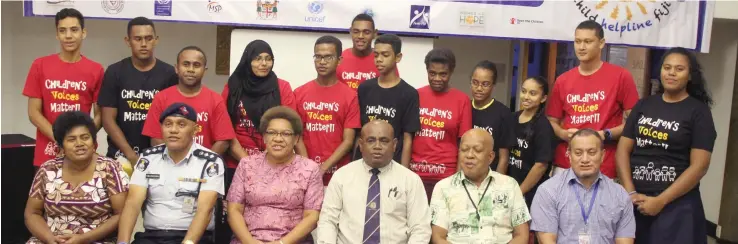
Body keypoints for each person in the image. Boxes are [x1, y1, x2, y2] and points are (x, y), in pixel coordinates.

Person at [615, 47, 717, 244]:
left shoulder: (699, 112)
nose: (671, 73)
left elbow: (700, 166)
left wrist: (660, 201)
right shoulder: (644, 105)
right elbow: (622, 150)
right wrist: (630, 192)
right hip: (636, 203)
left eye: (679, 69)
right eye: (667, 67)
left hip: (677, 206)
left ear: (689, 76)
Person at [117, 103, 225, 244]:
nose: (173, 130)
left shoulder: (210, 162)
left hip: (194, 238)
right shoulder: (148, 159)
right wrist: (122, 243)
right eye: (168, 124)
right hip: (152, 237)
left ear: (195, 129)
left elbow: (205, 210)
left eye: (181, 125)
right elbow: (132, 204)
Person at [546, 20, 639, 178]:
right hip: (566, 165)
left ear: (601, 43)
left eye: (588, 41)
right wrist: (563, 134)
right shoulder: (563, 80)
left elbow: (635, 121)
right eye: (577, 41)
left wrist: (605, 134)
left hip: (605, 167)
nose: (581, 47)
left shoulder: (621, 76)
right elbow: (551, 121)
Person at [317, 120, 431, 244]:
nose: (377, 146)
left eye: (384, 141)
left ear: (394, 145)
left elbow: (420, 229)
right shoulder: (342, 176)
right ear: (360, 144)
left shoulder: (410, 180)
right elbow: (328, 221)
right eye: (371, 140)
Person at [24, 111, 129, 244]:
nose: (79, 143)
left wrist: (83, 239)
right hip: (52, 239)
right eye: (71, 139)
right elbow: (32, 214)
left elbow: (121, 215)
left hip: (97, 239)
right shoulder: (48, 169)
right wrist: (50, 239)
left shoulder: (110, 169)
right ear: (61, 145)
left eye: (85, 137)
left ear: (94, 141)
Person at [227, 106, 324, 244]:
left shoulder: (309, 169)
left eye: (285, 134)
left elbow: (312, 216)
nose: (278, 139)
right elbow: (234, 210)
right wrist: (250, 242)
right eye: (272, 133)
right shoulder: (247, 165)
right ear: (264, 137)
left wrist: (281, 243)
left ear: (296, 139)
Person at [23, 8, 104, 167]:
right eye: (62, 30)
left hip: (82, 155)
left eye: (74, 30)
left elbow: (100, 116)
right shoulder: (40, 65)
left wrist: (78, 141)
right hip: (47, 154)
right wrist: (62, 139)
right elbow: (33, 113)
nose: (68, 36)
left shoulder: (96, 70)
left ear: (83, 33)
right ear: (57, 34)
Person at [531, 129, 635, 244]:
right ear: (569, 156)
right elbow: (547, 240)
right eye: (578, 153)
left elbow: (624, 241)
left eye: (591, 152)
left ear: (602, 155)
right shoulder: (548, 191)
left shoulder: (619, 195)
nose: (585, 159)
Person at [99, 16, 177, 170]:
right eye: (137, 39)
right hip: (120, 156)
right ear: (128, 41)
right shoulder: (115, 72)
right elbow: (107, 119)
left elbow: (172, 119)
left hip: (159, 156)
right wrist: (131, 155)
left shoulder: (169, 74)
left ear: (156, 40)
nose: (143, 44)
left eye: (148, 38)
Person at [430, 128, 530, 244]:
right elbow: (438, 237)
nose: (469, 155)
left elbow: (522, 235)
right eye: (464, 150)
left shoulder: (509, 185)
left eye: (477, 150)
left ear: (490, 157)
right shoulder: (443, 187)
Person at [222, 40, 297, 182]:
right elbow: (226, 130)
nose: (264, 63)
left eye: (268, 59)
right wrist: (248, 163)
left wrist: (267, 162)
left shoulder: (282, 87)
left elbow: (289, 127)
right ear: (248, 60)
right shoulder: (233, 87)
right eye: (258, 59)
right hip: (237, 162)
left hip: (275, 163)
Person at [142, 46, 235, 155]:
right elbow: (155, 138)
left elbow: (223, 141)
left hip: (203, 168)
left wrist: (203, 163)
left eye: (196, 65)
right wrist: (174, 161)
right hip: (169, 165)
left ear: (204, 70)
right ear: (176, 68)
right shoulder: (161, 98)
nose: (191, 69)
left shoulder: (215, 100)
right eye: (186, 64)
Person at [295, 35, 361, 184]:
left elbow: (348, 141)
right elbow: (296, 136)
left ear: (339, 60)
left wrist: (323, 168)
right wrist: (309, 168)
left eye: (328, 57)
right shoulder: (299, 93)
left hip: (339, 176)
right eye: (318, 57)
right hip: (304, 173)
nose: (322, 62)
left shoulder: (351, 96)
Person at [411, 48, 472, 199]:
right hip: (416, 175)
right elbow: (407, 137)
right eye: (432, 73)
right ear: (427, 71)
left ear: (451, 73)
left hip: (446, 177)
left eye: (443, 74)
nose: (437, 78)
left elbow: (464, 144)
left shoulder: (462, 100)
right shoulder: (415, 95)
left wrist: (457, 180)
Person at [357, 34, 420, 167]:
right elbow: (359, 132)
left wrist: (404, 172)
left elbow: (408, 138)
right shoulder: (364, 88)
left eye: (385, 55)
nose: (379, 60)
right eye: (376, 55)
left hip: (392, 164)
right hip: (363, 162)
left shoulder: (409, 93)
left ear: (398, 57)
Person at [509, 76, 555, 208]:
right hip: (510, 186)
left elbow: (540, 165)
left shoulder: (543, 126)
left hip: (531, 193)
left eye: (533, 93)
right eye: (524, 91)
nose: (526, 97)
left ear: (543, 98)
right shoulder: (512, 118)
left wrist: (520, 192)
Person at [469, 60, 516, 174]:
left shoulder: (503, 113)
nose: (479, 88)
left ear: (493, 85)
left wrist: (497, 186)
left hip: (489, 176)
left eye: (485, 84)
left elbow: (503, 158)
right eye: (475, 82)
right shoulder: (464, 108)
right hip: (466, 174)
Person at [336, 14, 398, 90]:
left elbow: (394, 89)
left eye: (366, 32)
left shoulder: (383, 59)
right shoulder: (340, 59)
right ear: (351, 32)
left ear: (374, 33)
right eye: (356, 32)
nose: (360, 36)